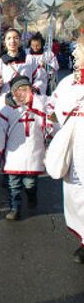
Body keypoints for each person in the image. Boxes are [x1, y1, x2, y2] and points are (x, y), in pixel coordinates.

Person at [0, 76, 49, 220]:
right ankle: (15, 208)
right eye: (19, 90)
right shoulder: (7, 110)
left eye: (26, 90)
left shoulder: (39, 107)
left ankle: (31, 195)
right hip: (14, 152)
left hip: (33, 150)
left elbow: (49, 121)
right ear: (13, 92)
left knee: (29, 183)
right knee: (13, 184)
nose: (22, 93)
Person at [48, 36, 84, 263]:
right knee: (75, 195)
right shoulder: (67, 82)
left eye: (79, 50)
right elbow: (53, 107)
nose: (74, 54)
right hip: (73, 148)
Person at [0, 28, 46, 118]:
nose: (12, 41)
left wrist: (33, 90)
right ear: (4, 42)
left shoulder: (30, 59)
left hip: (26, 103)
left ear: (20, 41)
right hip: (4, 103)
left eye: (16, 38)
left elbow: (41, 78)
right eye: (9, 38)